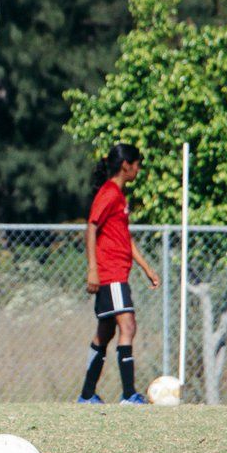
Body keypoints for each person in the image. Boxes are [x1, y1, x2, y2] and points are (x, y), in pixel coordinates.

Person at [77, 143, 160, 404]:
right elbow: (91, 227)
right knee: (128, 325)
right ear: (126, 166)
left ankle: (87, 395)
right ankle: (128, 394)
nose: (138, 170)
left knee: (106, 331)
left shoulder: (119, 197)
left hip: (117, 273)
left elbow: (124, 238)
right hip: (110, 273)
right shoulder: (109, 193)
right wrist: (93, 269)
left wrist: (146, 268)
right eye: (137, 165)